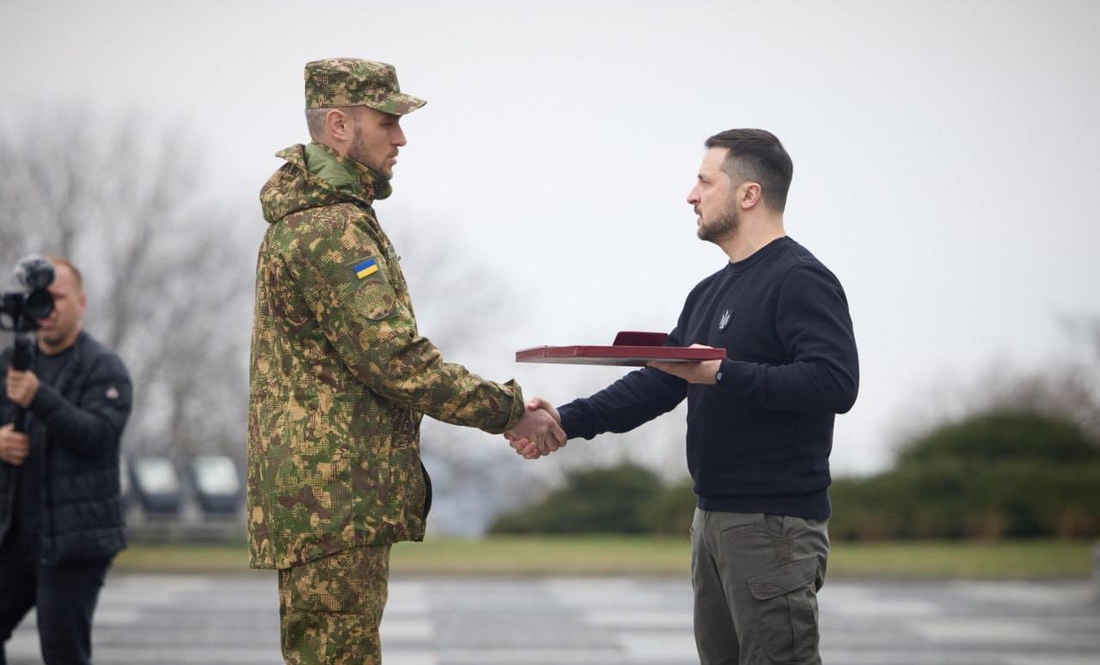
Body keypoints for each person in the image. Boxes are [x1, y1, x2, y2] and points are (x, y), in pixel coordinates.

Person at [248, 58, 563, 665]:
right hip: (334, 501)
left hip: (327, 499)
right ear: (339, 126)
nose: (401, 137)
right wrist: (505, 409)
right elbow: (395, 360)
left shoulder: (327, 219)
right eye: (387, 121)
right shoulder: (330, 230)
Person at [508, 129, 859, 665]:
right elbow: (661, 380)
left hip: (773, 526)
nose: (690, 195)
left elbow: (835, 383)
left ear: (748, 195)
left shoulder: (800, 278)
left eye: (704, 181)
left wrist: (721, 373)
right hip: (712, 520)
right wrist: (566, 420)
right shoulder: (709, 292)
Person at [0, 257, 133, 665]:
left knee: (62, 652)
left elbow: (97, 437)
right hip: (13, 537)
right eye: (39, 298)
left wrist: (38, 396)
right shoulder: (10, 361)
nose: (49, 307)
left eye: (58, 296)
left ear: (81, 302)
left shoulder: (104, 367)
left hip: (76, 542)